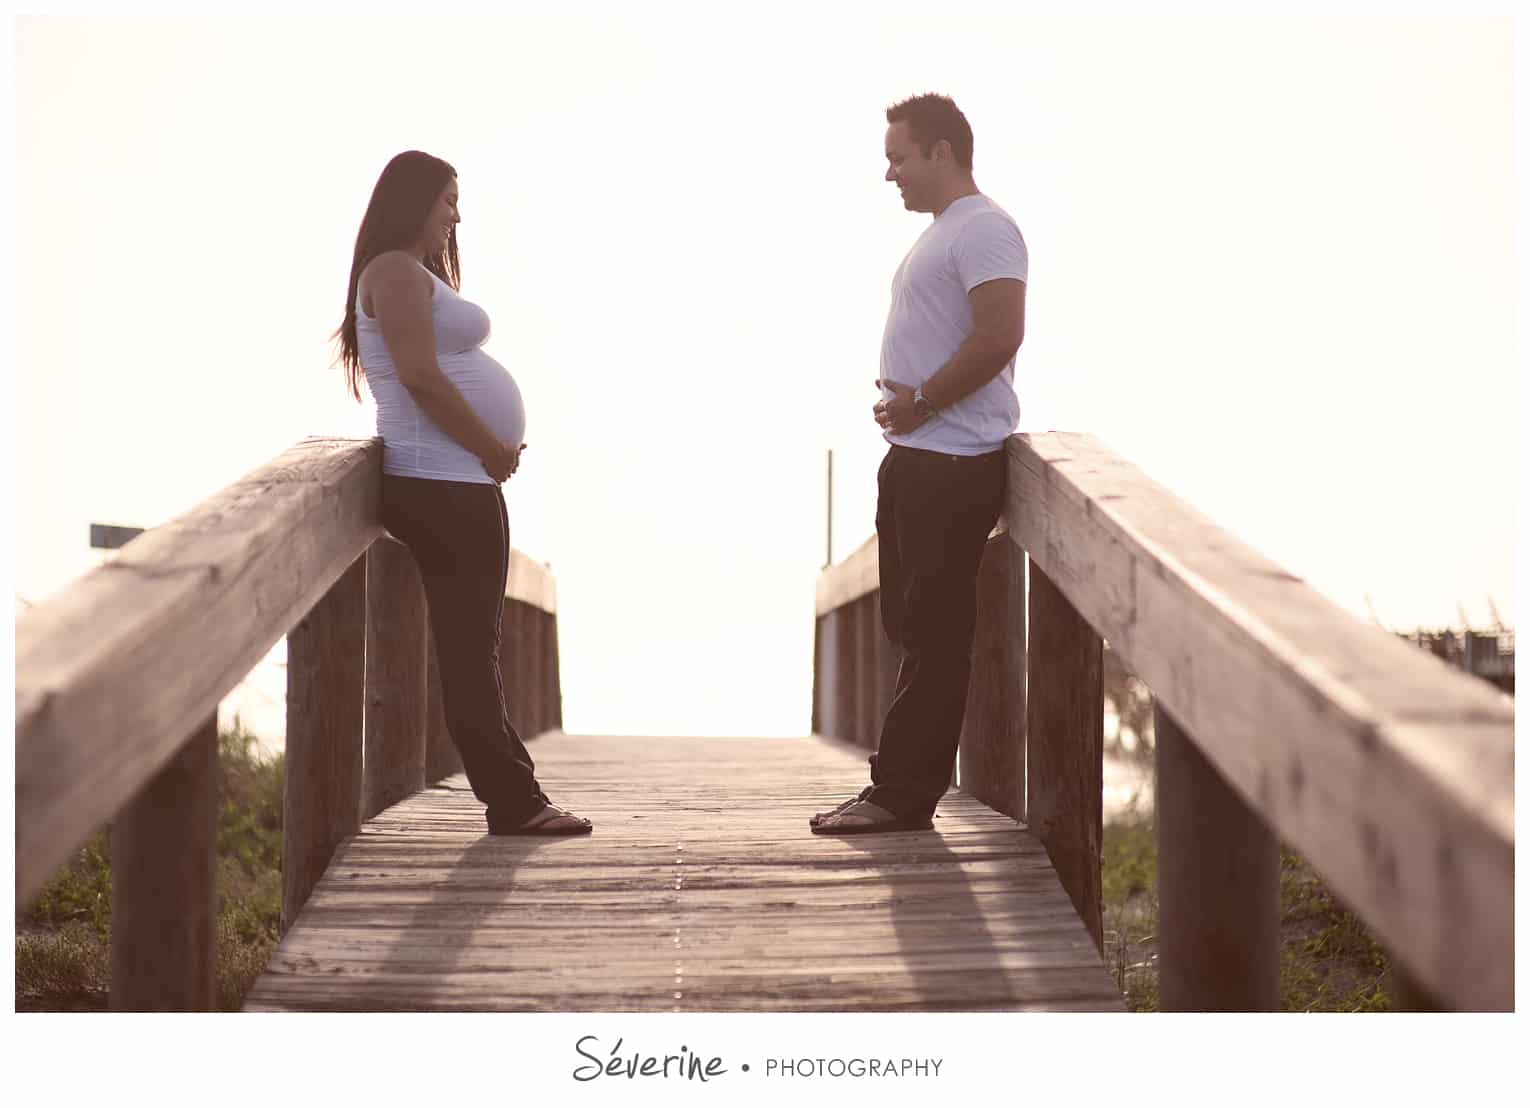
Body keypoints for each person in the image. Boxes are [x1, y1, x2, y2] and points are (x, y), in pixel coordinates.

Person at [335, 150, 590, 836]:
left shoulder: (408, 274)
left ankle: (515, 796)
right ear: (413, 199)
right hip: (442, 482)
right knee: (471, 653)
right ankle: (514, 802)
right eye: (447, 199)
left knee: (473, 649)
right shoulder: (391, 272)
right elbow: (418, 375)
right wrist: (489, 447)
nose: (455, 213)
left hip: (454, 481)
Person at [813, 94, 1028, 835]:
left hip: (952, 460)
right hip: (916, 455)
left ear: (943, 152)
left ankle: (901, 795)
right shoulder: (943, 234)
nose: (890, 173)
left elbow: (1000, 335)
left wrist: (926, 402)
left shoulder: (987, 230)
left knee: (937, 634)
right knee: (913, 626)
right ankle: (895, 786)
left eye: (899, 157)